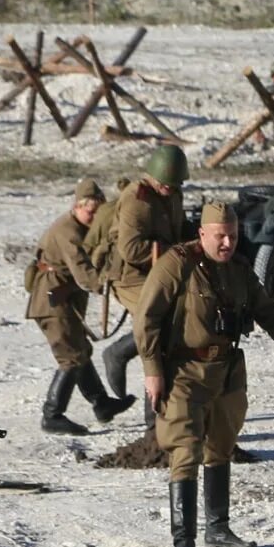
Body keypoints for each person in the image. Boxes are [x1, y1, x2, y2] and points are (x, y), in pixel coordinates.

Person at [134, 203, 274, 547]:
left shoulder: (239, 270)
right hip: (183, 370)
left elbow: (270, 313)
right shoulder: (177, 265)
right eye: (219, 235)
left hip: (226, 370)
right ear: (203, 233)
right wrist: (152, 369)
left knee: (221, 447)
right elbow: (147, 318)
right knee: (185, 452)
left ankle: (218, 528)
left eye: (233, 236)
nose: (226, 242)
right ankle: (184, 543)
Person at [28, 178, 134, 434]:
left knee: (80, 351)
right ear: (77, 206)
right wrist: (107, 284)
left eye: (99, 211)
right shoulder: (68, 231)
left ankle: (101, 404)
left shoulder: (81, 227)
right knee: (71, 357)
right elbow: (83, 272)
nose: (94, 216)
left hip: (63, 298)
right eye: (90, 211)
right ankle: (52, 414)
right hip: (52, 299)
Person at [100, 145, 191, 404]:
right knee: (158, 323)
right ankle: (119, 355)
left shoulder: (174, 195)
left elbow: (179, 228)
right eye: (165, 185)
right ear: (153, 177)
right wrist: (173, 252)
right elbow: (131, 249)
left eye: (175, 185)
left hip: (161, 269)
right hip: (130, 275)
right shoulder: (137, 199)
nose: (170, 189)